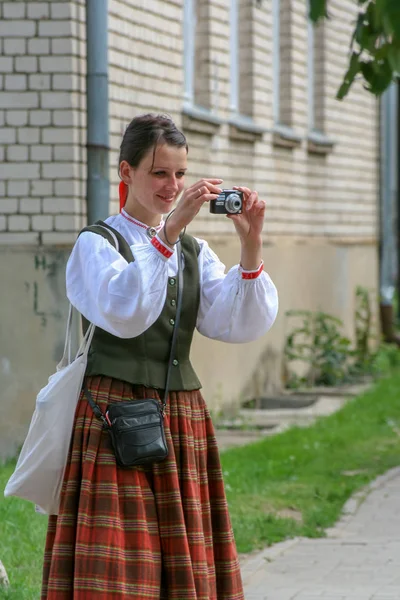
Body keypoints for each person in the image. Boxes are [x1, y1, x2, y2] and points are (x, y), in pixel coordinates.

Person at [41, 113, 278, 600]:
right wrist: (166, 235)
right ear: (126, 173)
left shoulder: (193, 249)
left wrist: (250, 243)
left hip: (180, 416)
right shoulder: (97, 243)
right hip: (113, 417)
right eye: (159, 173)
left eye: (180, 174)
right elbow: (123, 310)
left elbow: (236, 323)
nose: (173, 186)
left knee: (181, 560)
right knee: (119, 570)